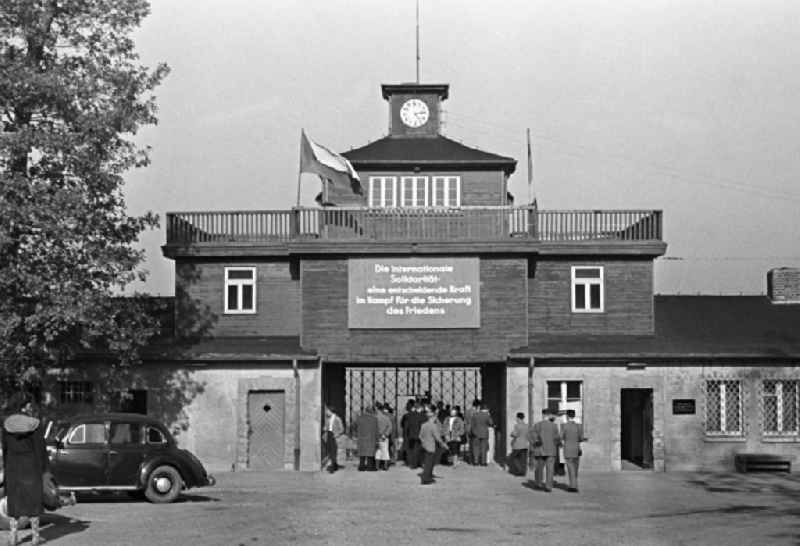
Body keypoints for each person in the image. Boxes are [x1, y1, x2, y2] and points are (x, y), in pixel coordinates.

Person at [2, 394, 48, 546]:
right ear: (24, 406)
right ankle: (35, 537)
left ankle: (13, 537)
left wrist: (6, 466)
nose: (31, 407)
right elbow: (40, 449)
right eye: (29, 405)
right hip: (30, 466)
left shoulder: (7, 423)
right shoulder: (34, 424)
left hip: (12, 466)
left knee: (14, 501)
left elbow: (5, 448)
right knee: (33, 501)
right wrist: (44, 468)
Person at [530, 408, 561, 492]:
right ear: (549, 415)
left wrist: (535, 441)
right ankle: (548, 486)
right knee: (550, 469)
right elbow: (557, 438)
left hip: (540, 450)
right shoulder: (554, 426)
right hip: (551, 450)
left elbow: (532, 435)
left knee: (539, 468)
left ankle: (538, 484)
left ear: (543, 415)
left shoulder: (537, 425)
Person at [419, 405, 447, 485]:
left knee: (427, 462)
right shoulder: (433, 426)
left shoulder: (423, 425)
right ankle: (426, 478)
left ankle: (428, 477)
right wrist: (443, 444)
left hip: (425, 446)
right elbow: (438, 438)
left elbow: (420, 436)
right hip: (431, 446)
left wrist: (423, 443)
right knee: (429, 464)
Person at [560, 409, 587, 492]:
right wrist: (584, 439)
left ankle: (573, 486)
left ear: (567, 416)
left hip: (568, 449)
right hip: (576, 448)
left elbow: (561, 437)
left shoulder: (564, 426)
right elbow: (581, 438)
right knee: (575, 468)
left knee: (570, 467)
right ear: (574, 416)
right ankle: (575, 484)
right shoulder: (579, 426)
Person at [355, 406, 378, 471]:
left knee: (362, 453)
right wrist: (377, 440)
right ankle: (370, 467)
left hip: (361, 438)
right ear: (371, 411)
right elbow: (376, 430)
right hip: (371, 438)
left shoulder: (359, 418)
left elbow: (354, 426)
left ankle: (361, 466)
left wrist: (356, 434)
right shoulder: (374, 419)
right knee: (370, 454)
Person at [322, 406, 344, 473]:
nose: (326, 412)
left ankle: (332, 467)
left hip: (334, 436)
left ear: (331, 411)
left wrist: (337, 435)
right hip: (329, 434)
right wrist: (325, 428)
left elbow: (342, 429)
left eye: (328, 411)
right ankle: (335, 464)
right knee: (330, 450)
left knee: (333, 451)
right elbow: (326, 427)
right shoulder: (328, 419)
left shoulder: (337, 419)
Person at [508, 412, 529, 476]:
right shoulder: (527, 425)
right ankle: (523, 472)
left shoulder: (517, 425)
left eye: (516, 418)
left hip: (517, 444)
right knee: (523, 460)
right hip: (525, 444)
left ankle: (519, 470)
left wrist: (511, 433)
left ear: (518, 418)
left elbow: (514, 434)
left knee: (514, 458)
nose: (516, 419)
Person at [375, 403, 392, 471]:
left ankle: (377, 466)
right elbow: (390, 427)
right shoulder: (386, 418)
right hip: (384, 437)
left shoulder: (374, 418)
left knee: (377, 451)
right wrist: (385, 434)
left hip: (376, 436)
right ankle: (385, 466)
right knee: (385, 451)